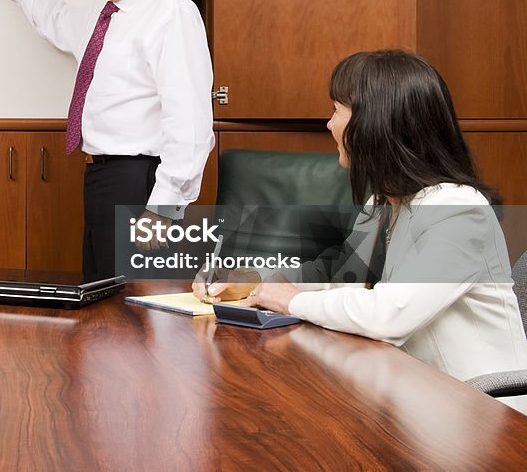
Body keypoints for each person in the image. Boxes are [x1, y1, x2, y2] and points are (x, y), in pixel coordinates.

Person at [194, 50, 527, 381]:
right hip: (414, 394)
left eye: (337, 110)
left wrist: (291, 301)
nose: (329, 123)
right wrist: (253, 280)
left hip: (484, 412)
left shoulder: (458, 210)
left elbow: (389, 315)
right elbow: (338, 274)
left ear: (376, 123)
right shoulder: (383, 202)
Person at [0, 0, 215, 279]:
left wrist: (164, 207)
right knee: (104, 307)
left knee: (136, 315)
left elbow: (191, 121)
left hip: (142, 183)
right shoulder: (98, 17)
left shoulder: (172, 13)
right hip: (101, 178)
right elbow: (52, 17)